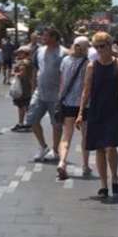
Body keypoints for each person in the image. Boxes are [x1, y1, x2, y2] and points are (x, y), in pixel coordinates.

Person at [76, 32, 118, 198]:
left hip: (113, 111)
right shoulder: (91, 66)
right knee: (99, 149)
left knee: (111, 146)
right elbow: (86, 91)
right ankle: (103, 184)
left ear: (110, 45)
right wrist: (80, 113)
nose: (100, 50)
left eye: (103, 46)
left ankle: (114, 175)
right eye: (97, 47)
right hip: (96, 111)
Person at [25, 28, 68, 161]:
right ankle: (43, 147)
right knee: (31, 119)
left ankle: (55, 150)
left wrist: (64, 93)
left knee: (56, 124)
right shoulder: (39, 51)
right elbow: (35, 69)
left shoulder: (64, 53)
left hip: (56, 94)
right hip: (40, 92)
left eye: (46, 36)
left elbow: (66, 74)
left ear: (54, 37)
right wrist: (33, 88)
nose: (43, 38)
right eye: (42, 35)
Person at [56, 36, 91, 180]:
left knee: (66, 135)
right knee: (85, 135)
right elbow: (88, 85)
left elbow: (62, 81)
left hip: (67, 103)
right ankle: (85, 165)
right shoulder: (88, 64)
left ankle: (62, 162)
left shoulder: (65, 61)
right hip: (83, 105)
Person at [10, 46, 34, 132]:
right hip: (27, 86)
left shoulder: (24, 63)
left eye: (20, 52)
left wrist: (15, 73)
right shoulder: (29, 62)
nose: (18, 54)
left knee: (22, 105)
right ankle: (28, 123)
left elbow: (22, 73)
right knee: (26, 106)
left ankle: (23, 123)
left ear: (25, 53)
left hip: (23, 87)